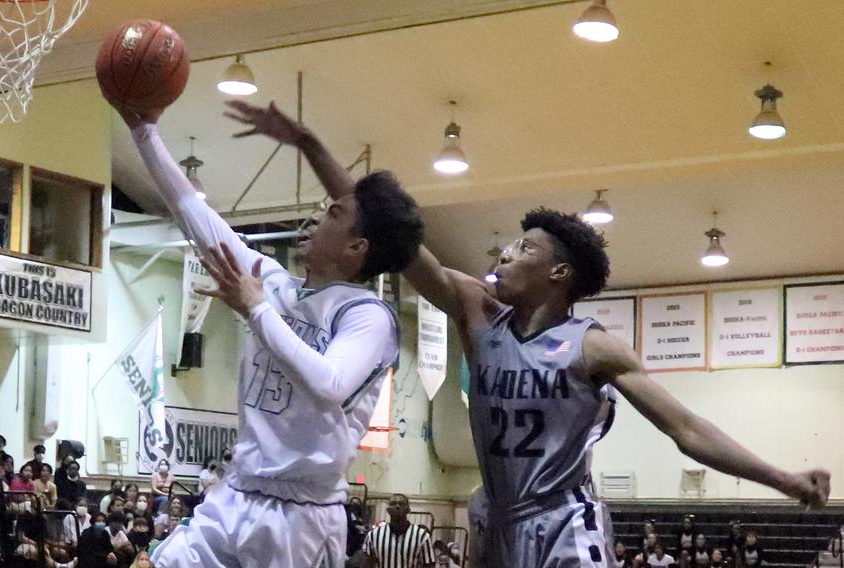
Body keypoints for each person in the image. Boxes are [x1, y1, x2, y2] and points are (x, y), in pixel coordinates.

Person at [355, 192, 829, 564]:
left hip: (562, 519)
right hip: (497, 519)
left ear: (558, 271)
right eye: (511, 245)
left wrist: (782, 479)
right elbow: (406, 251)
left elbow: (685, 429)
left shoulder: (594, 346)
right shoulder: (477, 314)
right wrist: (348, 180)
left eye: (525, 248)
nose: (506, 253)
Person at [117, 95, 421, 568]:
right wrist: (144, 132)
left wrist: (257, 309)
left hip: (301, 516)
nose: (317, 218)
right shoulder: (273, 282)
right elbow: (194, 214)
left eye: (334, 215)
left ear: (357, 247)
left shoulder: (368, 315)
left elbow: (330, 384)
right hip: (236, 492)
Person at [360, 494, 435, 568]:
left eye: (401, 504)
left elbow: (429, 565)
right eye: (393, 504)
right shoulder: (374, 535)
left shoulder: (422, 536)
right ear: (388, 510)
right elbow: (365, 564)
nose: (397, 506)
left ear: (408, 510)